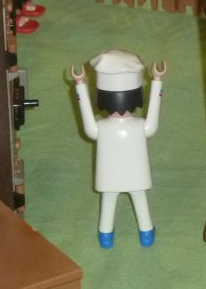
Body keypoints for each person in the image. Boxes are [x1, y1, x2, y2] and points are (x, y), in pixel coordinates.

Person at [70, 50, 166, 248]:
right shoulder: (140, 126)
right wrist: (157, 81)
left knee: (109, 202)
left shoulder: (101, 128)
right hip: (136, 175)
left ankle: (106, 236)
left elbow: (89, 126)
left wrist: (80, 85)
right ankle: (146, 233)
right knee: (139, 200)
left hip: (110, 176)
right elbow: (152, 123)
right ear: (137, 96)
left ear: (102, 98)